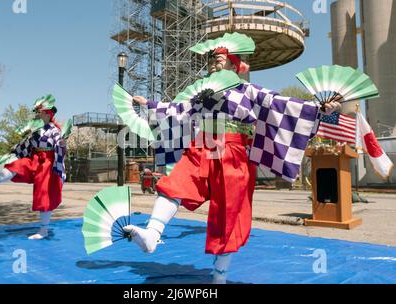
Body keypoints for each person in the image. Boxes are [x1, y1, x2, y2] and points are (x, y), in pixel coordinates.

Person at [121, 33, 341, 284]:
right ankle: (152, 234)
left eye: (219, 59)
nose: (213, 64)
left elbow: (282, 104)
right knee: (176, 184)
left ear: (235, 65)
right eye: (212, 60)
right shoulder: (201, 92)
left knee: (229, 214)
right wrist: (148, 103)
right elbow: (178, 109)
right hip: (203, 145)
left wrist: (318, 108)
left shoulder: (249, 90)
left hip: (234, 151)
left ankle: (219, 276)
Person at [0, 94, 67, 240]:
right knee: (18, 165)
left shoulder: (54, 131)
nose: (37, 114)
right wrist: (16, 148)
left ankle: (44, 230)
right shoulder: (37, 130)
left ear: (47, 113)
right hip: (35, 160)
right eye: (37, 112)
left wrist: (61, 155)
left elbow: (60, 148)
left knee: (44, 195)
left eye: (40, 112)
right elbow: (26, 145)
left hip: (48, 164)